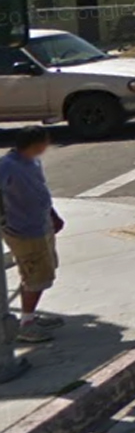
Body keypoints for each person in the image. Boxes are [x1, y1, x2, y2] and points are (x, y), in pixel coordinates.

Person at [0, 127, 63, 343]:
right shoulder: (7, 166)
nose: (48, 145)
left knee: (43, 271)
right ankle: (26, 324)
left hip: (41, 225)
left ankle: (31, 315)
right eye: (46, 141)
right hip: (24, 231)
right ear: (36, 143)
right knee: (36, 276)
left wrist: (53, 215)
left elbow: (40, 189)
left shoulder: (33, 161)